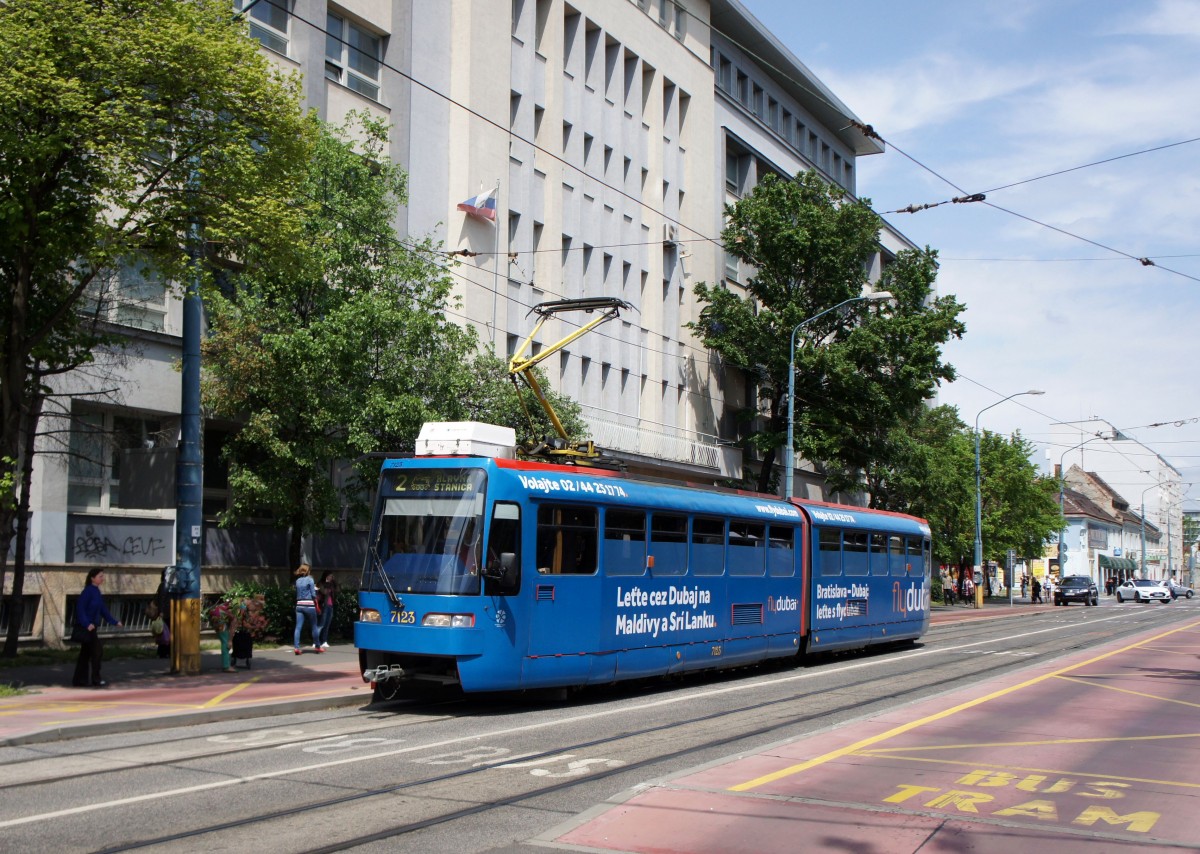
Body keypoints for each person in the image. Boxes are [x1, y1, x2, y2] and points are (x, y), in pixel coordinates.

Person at [72, 568, 123, 688]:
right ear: (92, 578)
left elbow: (103, 610)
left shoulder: (96, 592)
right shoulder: (88, 591)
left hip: (92, 627)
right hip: (87, 628)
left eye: (102, 576)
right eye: (100, 576)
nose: (102, 578)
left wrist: (114, 622)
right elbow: (80, 608)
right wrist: (86, 623)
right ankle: (95, 679)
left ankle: (80, 680)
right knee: (97, 652)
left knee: (85, 654)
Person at [294, 563, 322, 655]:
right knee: (314, 626)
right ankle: (317, 646)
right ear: (307, 570)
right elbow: (313, 594)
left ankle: (297, 648)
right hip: (309, 605)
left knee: (298, 627)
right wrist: (316, 593)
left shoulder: (297, 581)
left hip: (299, 605)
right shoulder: (310, 579)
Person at [315, 571, 337, 650]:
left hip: (330, 605)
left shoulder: (332, 584)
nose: (331, 578)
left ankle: (324, 641)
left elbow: (336, 591)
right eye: (329, 576)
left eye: (332, 576)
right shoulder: (321, 583)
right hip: (324, 605)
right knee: (321, 624)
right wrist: (327, 585)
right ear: (326, 576)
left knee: (327, 624)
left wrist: (333, 582)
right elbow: (324, 592)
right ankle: (316, 641)